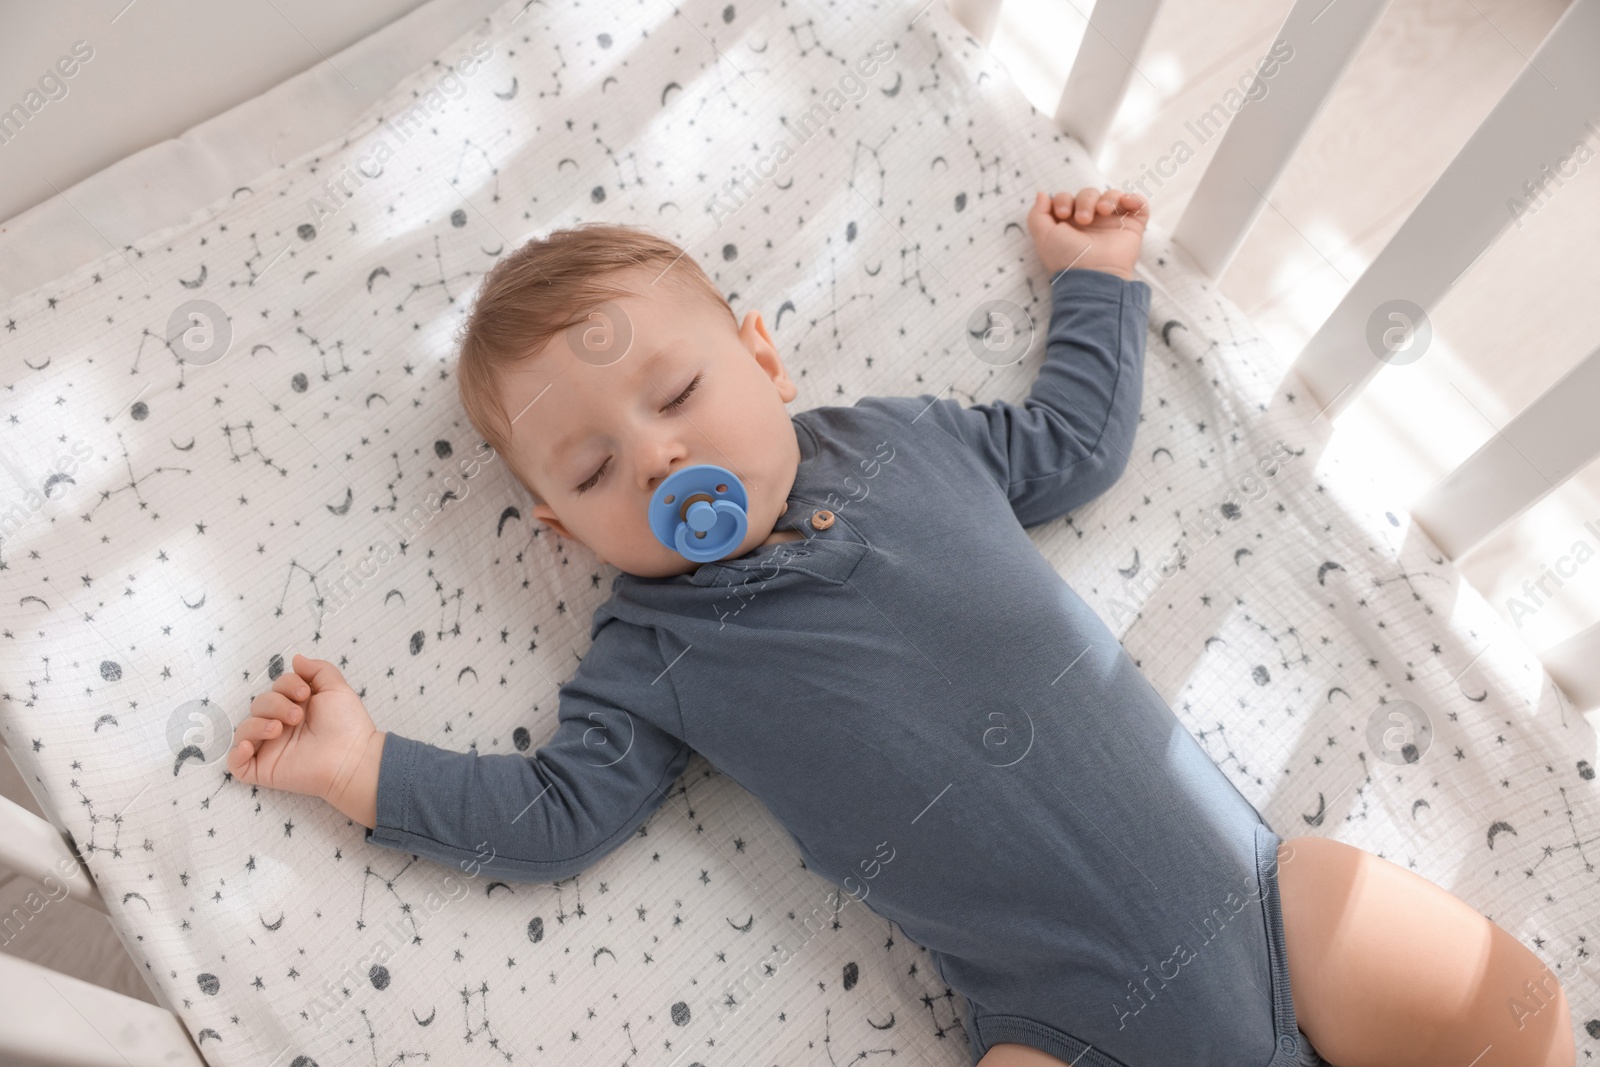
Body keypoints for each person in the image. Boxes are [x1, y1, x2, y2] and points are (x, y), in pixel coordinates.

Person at [228, 189, 1575, 1067]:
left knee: (1521, 1019)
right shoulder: (648, 661)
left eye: (680, 389)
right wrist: (363, 770)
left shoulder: (908, 445)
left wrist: (1095, 285)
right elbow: (553, 816)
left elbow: (1070, 448)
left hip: (1266, 908)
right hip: (1064, 1029)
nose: (655, 456)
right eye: (588, 473)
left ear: (765, 358)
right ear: (562, 537)